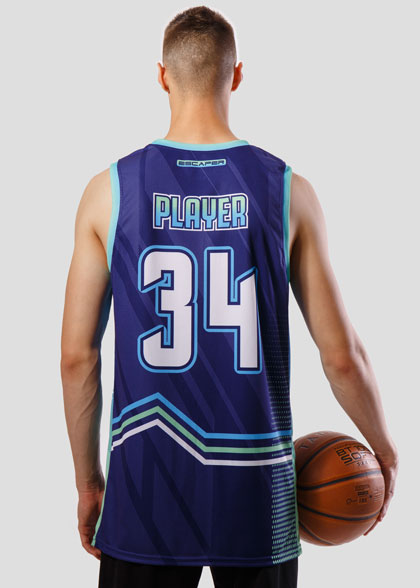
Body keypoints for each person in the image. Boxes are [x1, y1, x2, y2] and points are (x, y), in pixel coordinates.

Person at [60, 6, 399, 588]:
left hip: (145, 489)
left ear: (162, 76)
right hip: (256, 492)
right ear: (236, 75)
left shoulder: (108, 191)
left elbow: (76, 358)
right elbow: (342, 357)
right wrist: (384, 451)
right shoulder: (288, 190)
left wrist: (89, 482)